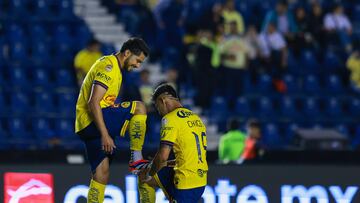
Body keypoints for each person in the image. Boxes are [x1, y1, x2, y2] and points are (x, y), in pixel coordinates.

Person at [74, 38, 150, 203]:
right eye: (137, 61)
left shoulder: (116, 69)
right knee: (139, 107)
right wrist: (105, 134)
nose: (138, 66)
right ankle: (136, 157)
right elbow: (93, 102)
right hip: (92, 120)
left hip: (86, 125)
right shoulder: (109, 67)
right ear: (127, 53)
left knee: (101, 174)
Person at [139, 83, 208, 203]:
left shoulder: (170, 119)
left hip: (186, 183)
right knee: (145, 174)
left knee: (145, 176)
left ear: (163, 101)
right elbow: (190, 153)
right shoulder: (196, 118)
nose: (159, 112)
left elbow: (162, 155)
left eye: (157, 106)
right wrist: (164, 163)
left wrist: (151, 173)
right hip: (200, 180)